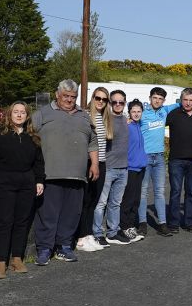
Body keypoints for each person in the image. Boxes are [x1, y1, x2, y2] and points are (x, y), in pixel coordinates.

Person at [32, 80, 98, 265]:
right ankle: (45, 249)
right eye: (66, 96)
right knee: (48, 214)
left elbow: (93, 141)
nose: (69, 100)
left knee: (71, 213)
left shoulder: (84, 116)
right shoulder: (42, 114)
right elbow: (30, 135)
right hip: (50, 174)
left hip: (77, 175)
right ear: (57, 95)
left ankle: (64, 246)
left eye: (73, 97)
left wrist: (94, 164)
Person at [0, 101, 45, 277]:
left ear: (27, 116)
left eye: (22, 112)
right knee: (4, 222)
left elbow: (38, 162)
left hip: (26, 184)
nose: (19, 115)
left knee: (22, 222)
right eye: (16, 112)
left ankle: (16, 259)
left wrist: (39, 181)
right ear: (10, 114)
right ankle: (1, 263)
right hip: (4, 183)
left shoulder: (33, 137)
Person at [74, 87, 112, 252]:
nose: (101, 102)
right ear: (93, 97)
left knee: (94, 201)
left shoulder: (105, 118)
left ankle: (88, 234)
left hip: (102, 163)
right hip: (89, 163)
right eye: (98, 98)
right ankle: (80, 238)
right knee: (86, 201)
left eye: (104, 100)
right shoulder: (85, 116)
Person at [165, 88, 192, 235]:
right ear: (181, 100)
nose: (188, 103)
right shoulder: (173, 114)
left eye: (191, 100)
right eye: (185, 100)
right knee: (175, 192)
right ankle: (174, 223)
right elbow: (156, 119)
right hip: (176, 160)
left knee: (191, 193)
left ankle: (189, 223)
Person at [94, 90, 129, 245]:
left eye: (121, 102)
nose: (117, 105)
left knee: (115, 203)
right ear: (110, 103)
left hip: (123, 168)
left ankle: (113, 232)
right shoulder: (105, 120)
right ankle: (97, 233)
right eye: (114, 102)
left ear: (124, 103)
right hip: (108, 167)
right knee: (101, 203)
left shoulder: (126, 119)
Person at [138, 86, 172, 236]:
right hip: (144, 156)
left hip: (159, 157)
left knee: (160, 191)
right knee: (143, 192)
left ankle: (162, 224)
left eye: (160, 99)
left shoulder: (164, 111)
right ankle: (142, 223)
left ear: (163, 101)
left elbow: (181, 104)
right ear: (150, 98)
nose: (157, 101)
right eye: (155, 98)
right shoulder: (143, 114)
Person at [115, 99, 148, 244]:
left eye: (138, 111)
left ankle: (131, 225)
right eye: (133, 111)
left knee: (136, 199)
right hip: (130, 168)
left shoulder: (138, 126)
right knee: (128, 200)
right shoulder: (127, 126)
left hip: (140, 168)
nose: (136, 114)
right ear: (129, 112)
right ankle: (125, 226)